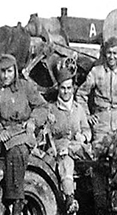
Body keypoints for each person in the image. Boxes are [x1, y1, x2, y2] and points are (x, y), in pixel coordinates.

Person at [0, 53, 48, 215]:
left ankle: (17, 204)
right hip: (0, 135)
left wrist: (33, 121)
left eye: (9, 71)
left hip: (22, 133)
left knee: (16, 153)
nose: (5, 76)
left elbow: (42, 107)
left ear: (15, 71)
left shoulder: (26, 87)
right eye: (2, 72)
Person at [78, 37, 117, 146]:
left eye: (115, 53)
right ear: (104, 53)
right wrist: (87, 115)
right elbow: (81, 94)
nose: (111, 57)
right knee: (98, 153)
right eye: (109, 53)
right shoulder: (96, 72)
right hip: (101, 124)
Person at [45, 71, 90, 205]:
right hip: (60, 149)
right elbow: (46, 134)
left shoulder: (78, 109)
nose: (66, 92)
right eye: (63, 88)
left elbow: (87, 129)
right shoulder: (51, 109)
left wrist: (84, 136)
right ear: (58, 88)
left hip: (78, 147)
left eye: (69, 88)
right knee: (66, 160)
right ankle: (69, 197)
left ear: (73, 89)